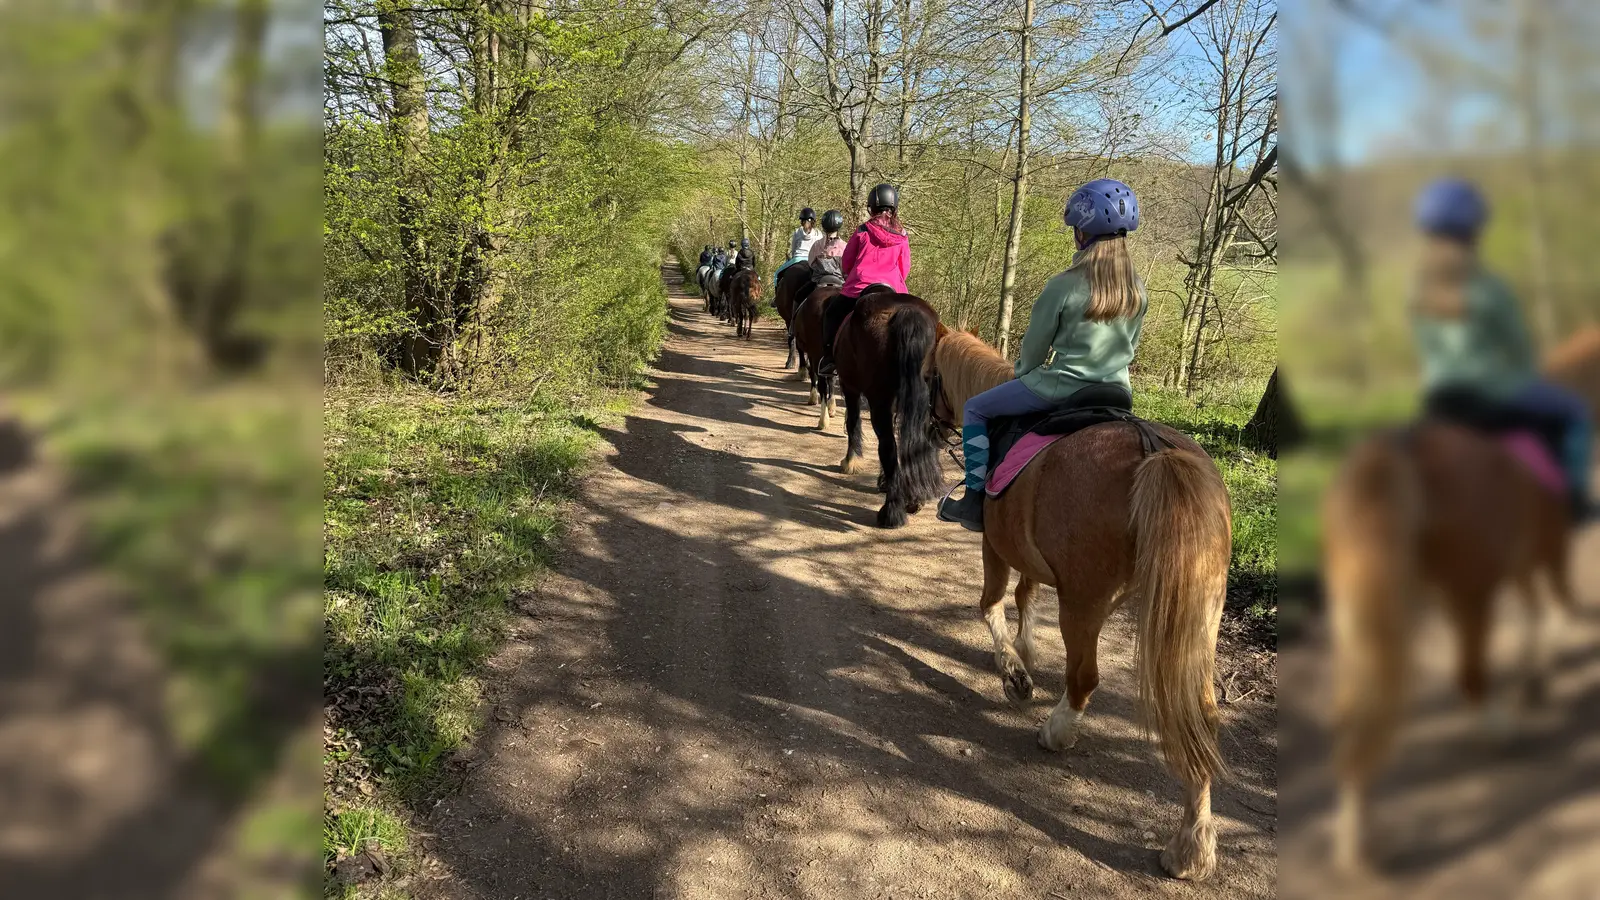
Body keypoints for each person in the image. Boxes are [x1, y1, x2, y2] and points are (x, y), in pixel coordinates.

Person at [937, 178, 1147, 532]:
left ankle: (973, 501)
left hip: (1062, 387)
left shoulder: (1064, 284)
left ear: (1083, 233)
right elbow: (1131, 345)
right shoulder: (1136, 289)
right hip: (1118, 392)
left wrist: (1022, 371)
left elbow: (1033, 353)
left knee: (975, 408)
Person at [1408, 176, 1594, 521]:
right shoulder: (1488, 286)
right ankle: (1575, 502)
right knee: (1576, 415)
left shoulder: (1420, 288)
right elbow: (1520, 349)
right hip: (1495, 393)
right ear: (1474, 230)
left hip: (1439, 397)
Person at [816, 184, 910, 376]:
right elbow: (905, 267)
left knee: (832, 313)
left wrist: (849, 274)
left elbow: (848, 261)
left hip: (860, 287)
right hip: (893, 289)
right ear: (894, 207)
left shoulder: (863, 230)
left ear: (871, 208)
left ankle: (829, 360)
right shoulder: (902, 235)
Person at [777, 208, 823, 290]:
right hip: (812, 261)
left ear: (801, 221)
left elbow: (794, 249)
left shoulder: (797, 232)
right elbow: (820, 250)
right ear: (813, 221)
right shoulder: (819, 234)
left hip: (797, 259)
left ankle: (776, 298)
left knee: (777, 274)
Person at [808, 209, 848, 284]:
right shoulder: (845, 247)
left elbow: (810, 263)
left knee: (800, 293)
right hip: (839, 282)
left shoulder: (817, 244)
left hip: (818, 281)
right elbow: (847, 270)